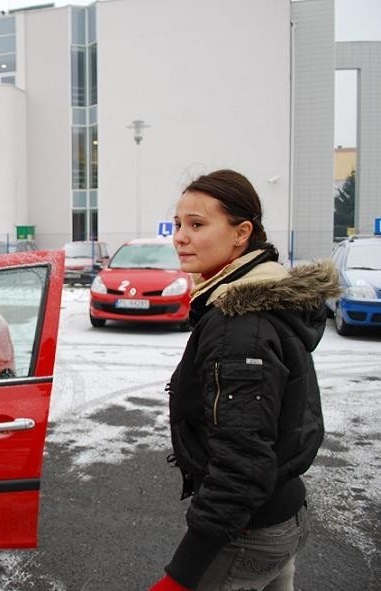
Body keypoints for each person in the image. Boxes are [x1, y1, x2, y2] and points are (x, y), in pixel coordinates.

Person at [149, 169, 340, 591]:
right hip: (282, 512)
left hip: (249, 536)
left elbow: (242, 462)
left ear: (241, 233)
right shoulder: (256, 297)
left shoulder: (239, 326)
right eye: (178, 224)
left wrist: (181, 575)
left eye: (196, 225)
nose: (179, 236)